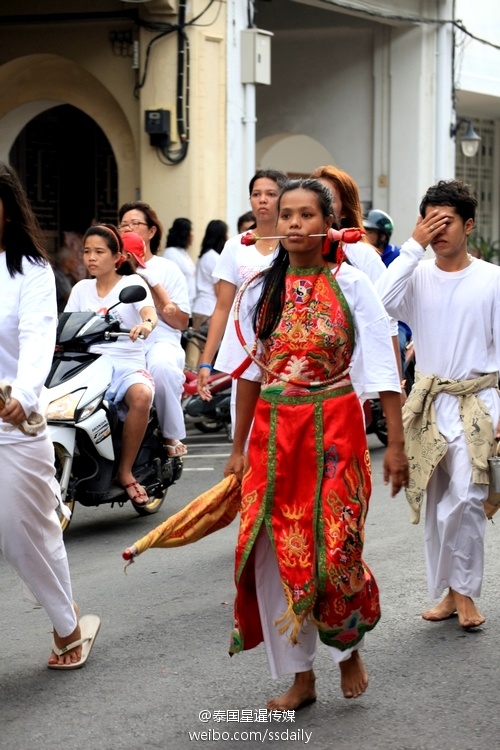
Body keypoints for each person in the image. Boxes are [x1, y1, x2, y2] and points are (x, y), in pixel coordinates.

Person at [224, 178, 408, 709]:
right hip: (272, 433)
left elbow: (382, 365)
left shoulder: (352, 284)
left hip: (337, 428)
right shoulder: (259, 287)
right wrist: (237, 449)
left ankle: (346, 647)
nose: (294, 224)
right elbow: (249, 376)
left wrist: (394, 444)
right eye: (286, 215)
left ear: (328, 224)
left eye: (306, 215)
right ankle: (300, 676)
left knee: (337, 547)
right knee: (272, 552)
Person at [376, 179, 500, 629]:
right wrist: (412, 246)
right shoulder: (417, 274)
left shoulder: (492, 279)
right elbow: (380, 304)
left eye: (446, 221)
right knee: (437, 506)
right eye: (430, 221)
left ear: (468, 225)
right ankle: (449, 594)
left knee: (466, 498)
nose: (438, 230)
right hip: (428, 405)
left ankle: (465, 593)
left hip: (477, 403)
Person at [0, 161, 100, 669]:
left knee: (23, 535)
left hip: (14, 423)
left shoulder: (31, 273)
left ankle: (67, 625)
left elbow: (40, 340)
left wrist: (25, 395)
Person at [65, 224, 158, 505]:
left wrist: (145, 325)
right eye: (86, 252)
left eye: (99, 252)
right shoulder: (81, 289)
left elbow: (150, 314)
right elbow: (67, 324)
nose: (91, 257)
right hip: (90, 365)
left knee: (141, 396)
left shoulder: (133, 285)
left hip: (126, 363)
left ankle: (125, 471)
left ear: (118, 257)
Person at [197, 169, 288, 421]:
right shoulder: (235, 246)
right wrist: (206, 361)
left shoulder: (294, 243)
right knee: (246, 428)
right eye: (256, 194)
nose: (262, 199)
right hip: (245, 347)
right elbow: (223, 307)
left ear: (283, 199)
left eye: (270, 194)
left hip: (287, 348)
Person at [310, 165, 403, 393]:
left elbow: (385, 319)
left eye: (329, 198)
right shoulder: (286, 253)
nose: (320, 203)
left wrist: (393, 386)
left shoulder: (362, 256)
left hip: (346, 382)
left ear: (343, 212)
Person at [118, 202, 190, 458]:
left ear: (151, 232)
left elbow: (182, 322)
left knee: (161, 367)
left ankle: (171, 435)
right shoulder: (111, 267)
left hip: (160, 340)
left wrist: (158, 296)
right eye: (124, 224)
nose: (128, 228)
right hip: (121, 342)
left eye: (135, 224)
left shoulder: (167, 269)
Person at [362, 208, 412, 373]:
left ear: (383, 235)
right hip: (364, 317)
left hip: (396, 321)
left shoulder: (398, 257)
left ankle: (399, 387)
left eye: (368, 231)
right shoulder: (358, 255)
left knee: (395, 344)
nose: (363, 234)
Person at [192, 219, 228, 331]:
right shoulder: (214, 258)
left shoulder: (205, 256)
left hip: (201, 308)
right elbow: (219, 290)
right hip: (209, 310)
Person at [162, 217, 196, 309]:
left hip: (190, 305)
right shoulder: (171, 253)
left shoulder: (183, 253)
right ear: (184, 234)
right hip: (178, 306)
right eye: (190, 232)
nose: (192, 236)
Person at [53, 244, 80, 312]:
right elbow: (69, 298)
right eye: (73, 260)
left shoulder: (68, 276)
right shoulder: (58, 277)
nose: (76, 263)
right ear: (66, 262)